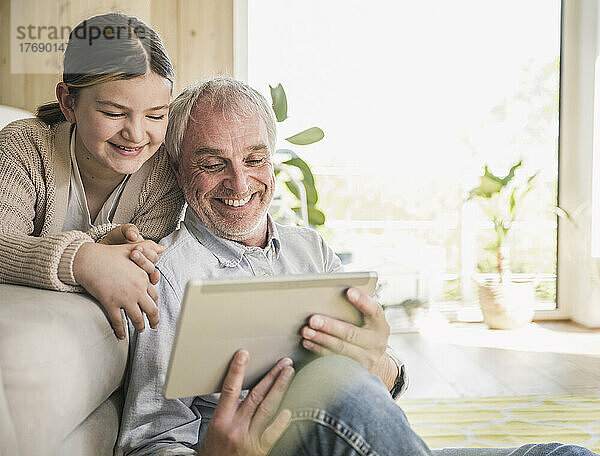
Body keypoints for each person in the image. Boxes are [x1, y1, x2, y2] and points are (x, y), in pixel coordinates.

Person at [115, 77, 597, 456]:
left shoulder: (311, 251)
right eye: (212, 163)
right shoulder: (165, 274)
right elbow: (149, 443)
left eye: (255, 158)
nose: (239, 181)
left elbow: (374, 403)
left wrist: (381, 365)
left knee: (567, 453)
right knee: (334, 381)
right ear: (178, 168)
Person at [0, 12, 185, 340]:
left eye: (156, 115)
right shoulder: (23, 145)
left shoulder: (163, 175)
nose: (136, 134)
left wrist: (105, 242)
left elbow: (143, 266)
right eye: (114, 113)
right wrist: (84, 259)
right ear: (68, 102)